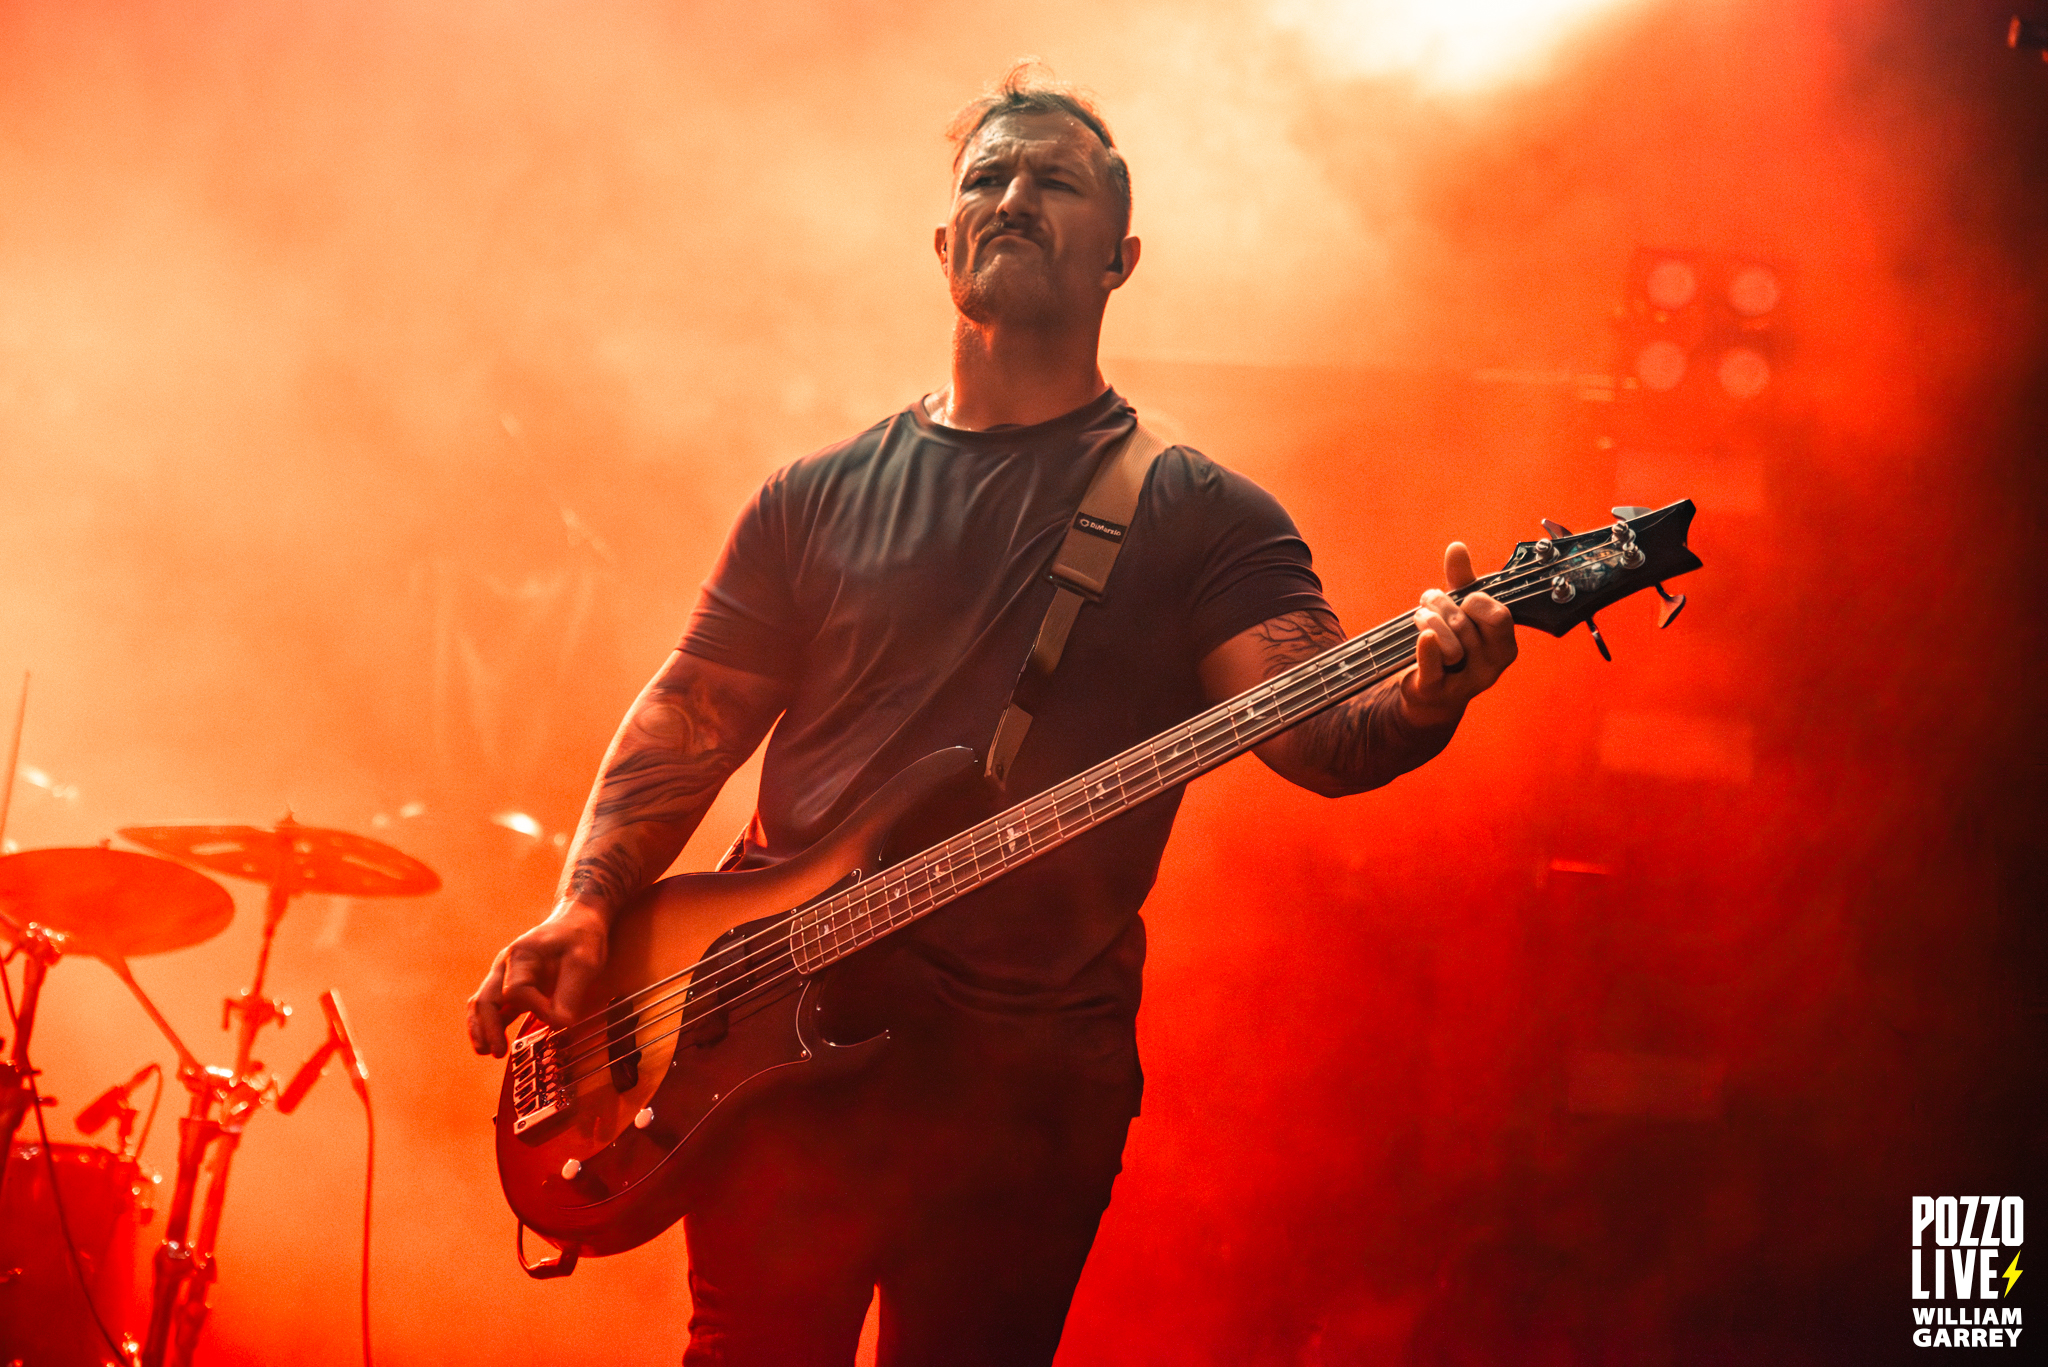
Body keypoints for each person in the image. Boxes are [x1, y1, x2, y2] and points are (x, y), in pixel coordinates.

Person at [467, 65, 1516, 1367]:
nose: (1014, 197)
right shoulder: (815, 495)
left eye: (1054, 181)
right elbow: (691, 715)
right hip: (774, 1038)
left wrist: (1422, 698)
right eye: (988, 179)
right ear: (943, 240)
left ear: (1120, 257)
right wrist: (585, 903)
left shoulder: (1200, 513)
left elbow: (1322, 732)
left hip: (1026, 1089)